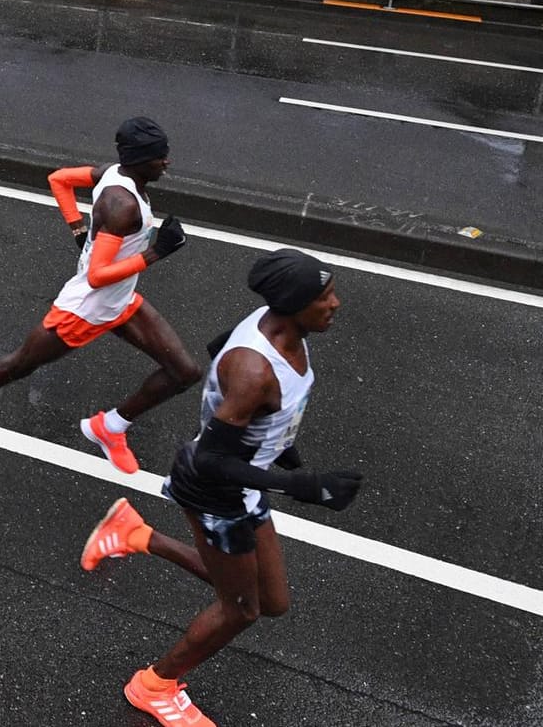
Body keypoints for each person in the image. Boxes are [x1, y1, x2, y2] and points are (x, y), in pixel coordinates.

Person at [82, 249, 360, 727]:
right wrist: (300, 484)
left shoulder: (276, 326)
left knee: (271, 602)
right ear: (294, 304)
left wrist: (278, 446)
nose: (335, 303)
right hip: (214, 491)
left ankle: (136, 534)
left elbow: (217, 349)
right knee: (241, 609)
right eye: (324, 296)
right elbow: (212, 459)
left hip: (242, 483)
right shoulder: (255, 371)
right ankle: (154, 685)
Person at [0, 117, 198, 473]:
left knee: (184, 372)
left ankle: (110, 427)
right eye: (160, 157)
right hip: (85, 308)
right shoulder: (121, 204)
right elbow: (96, 277)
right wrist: (157, 252)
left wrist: (78, 230)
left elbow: (59, 180)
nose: (167, 162)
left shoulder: (115, 173)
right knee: (18, 366)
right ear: (140, 159)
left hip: (121, 301)